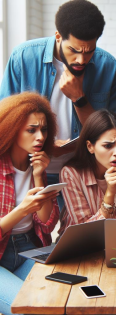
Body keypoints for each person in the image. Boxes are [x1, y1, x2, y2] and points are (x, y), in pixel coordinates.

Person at [0, 0, 116, 210]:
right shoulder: (23, 58)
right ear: (58, 35)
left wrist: (79, 98)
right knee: (33, 237)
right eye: (74, 50)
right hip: (29, 170)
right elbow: (5, 122)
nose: (81, 59)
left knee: (77, 239)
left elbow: (109, 135)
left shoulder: (108, 68)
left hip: (82, 172)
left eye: (89, 51)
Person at [0, 92, 59, 315]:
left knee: (59, 300)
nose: (40, 137)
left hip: (28, 248)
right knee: (26, 310)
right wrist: (21, 209)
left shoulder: (37, 165)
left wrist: (38, 176)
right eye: (31, 130)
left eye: (44, 130)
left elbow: (46, 225)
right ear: (12, 128)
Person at [58, 109, 116, 237]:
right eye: (108, 146)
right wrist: (110, 194)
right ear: (90, 147)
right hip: (76, 248)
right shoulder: (71, 173)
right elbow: (84, 233)